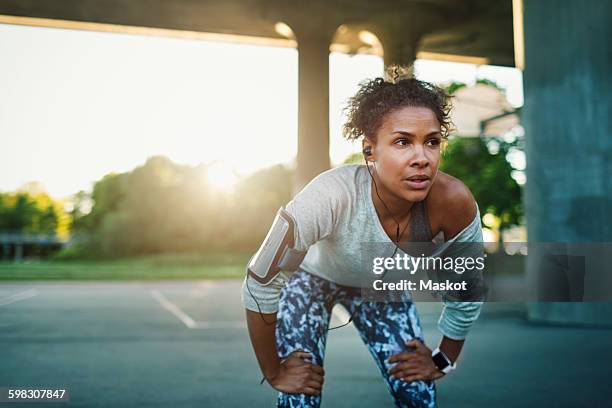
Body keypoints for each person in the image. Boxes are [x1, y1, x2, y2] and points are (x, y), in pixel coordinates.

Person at [241, 65, 484, 408]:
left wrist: (443, 358)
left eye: (431, 142)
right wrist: (274, 371)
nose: (421, 158)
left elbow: (467, 287)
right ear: (370, 150)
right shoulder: (331, 194)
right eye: (402, 142)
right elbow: (260, 280)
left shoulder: (453, 202)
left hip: (381, 286)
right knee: (299, 396)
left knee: (418, 393)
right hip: (312, 280)